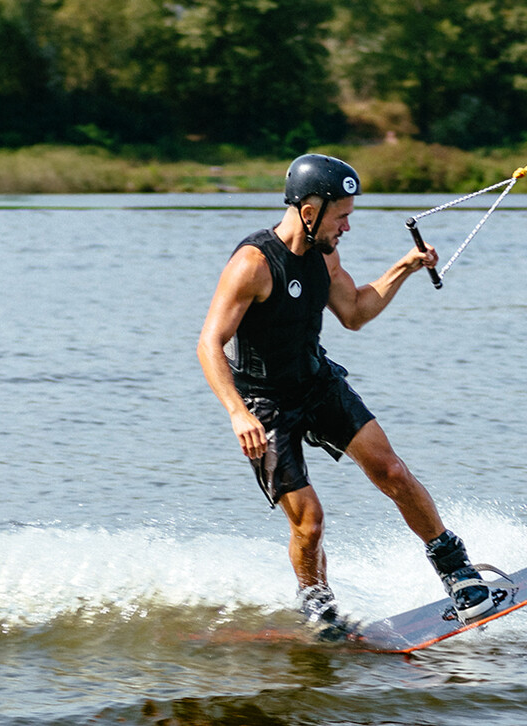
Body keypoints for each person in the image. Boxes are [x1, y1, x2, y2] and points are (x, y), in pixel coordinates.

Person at [196, 154, 494, 639]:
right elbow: (209, 343)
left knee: (391, 470)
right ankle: (317, 605)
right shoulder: (252, 265)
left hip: (316, 382)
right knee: (309, 523)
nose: (348, 226)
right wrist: (237, 413)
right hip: (264, 404)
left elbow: (354, 311)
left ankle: (458, 572)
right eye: (343, 216)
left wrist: (405, 267)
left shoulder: (324, 255)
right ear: (310, 211)